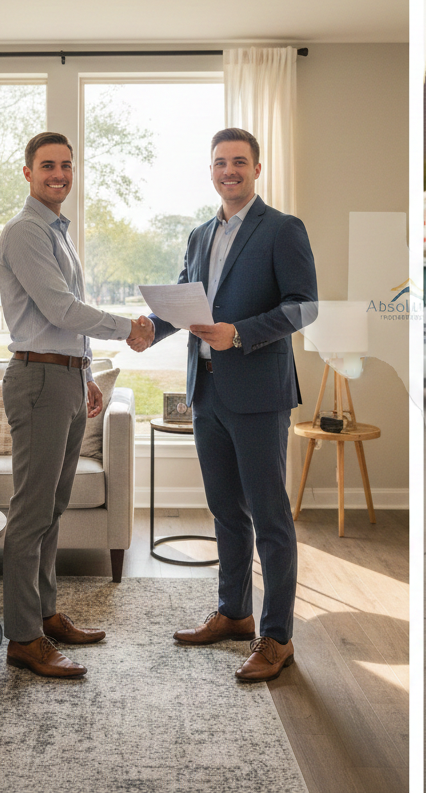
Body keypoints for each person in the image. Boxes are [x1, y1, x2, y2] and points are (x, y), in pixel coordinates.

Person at [129, 127, 317, 682]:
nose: (228, 171)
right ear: (210, 171)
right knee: (225, 512)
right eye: (219, 163)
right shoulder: (197, 234)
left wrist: (239, 333)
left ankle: (277, 637)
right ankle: (235, 613)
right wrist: (149, 329)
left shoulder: (282, 229)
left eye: (239, 162)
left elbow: (304, 308)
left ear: (257, 168)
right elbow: (189, 302)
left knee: (270, 518)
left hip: (259, 395)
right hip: (206, 393)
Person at [0, 131, 153, 679]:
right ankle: (22, 636)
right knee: (31, 512)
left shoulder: (57, 233)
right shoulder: (25, 231)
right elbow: (61, 309)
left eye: (65, 165)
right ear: (28, 172)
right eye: (47, 166)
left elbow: (62, 323)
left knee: (53, 509)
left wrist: (86, 372)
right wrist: (126, 327)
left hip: (62, 378)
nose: (58, 174)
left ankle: (44, 612)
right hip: (38, 380)